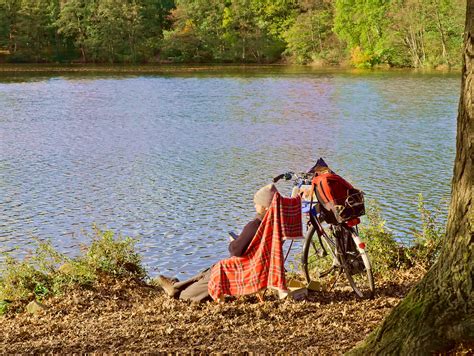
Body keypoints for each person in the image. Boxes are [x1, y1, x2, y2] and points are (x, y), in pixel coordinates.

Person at [156, 183, 279, 302]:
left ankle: (178, 291)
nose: (254, 206)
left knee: (187, 296)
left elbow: (236, 251)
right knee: (207, 272)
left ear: (266, 207)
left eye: (257, 203)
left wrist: (233, 242)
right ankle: (175, 285)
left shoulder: (255, 225)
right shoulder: (276, 225)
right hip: (260, 269)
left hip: (242, 270)